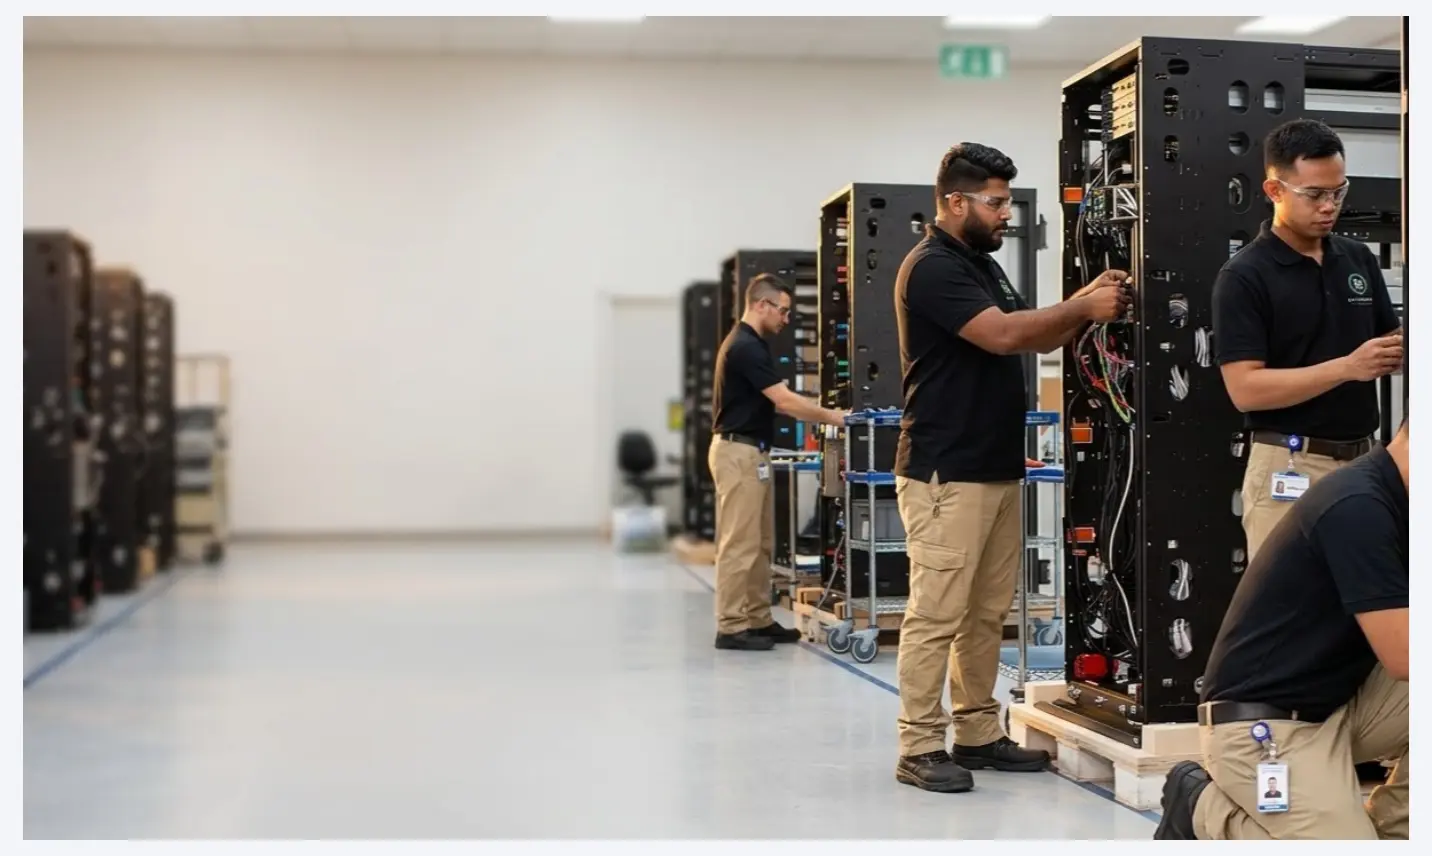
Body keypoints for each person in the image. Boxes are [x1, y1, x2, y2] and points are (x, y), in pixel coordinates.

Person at [890, 142, 1131, 792]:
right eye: (995, 203)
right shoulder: (933, 267)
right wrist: (1081, 307)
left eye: (1005, 202)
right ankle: (918, 745)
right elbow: (1000, 335)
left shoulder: (981, 267)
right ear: (955, 202)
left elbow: (1033, 331)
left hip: (994, 466)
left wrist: (1083, 304)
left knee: (986, 610)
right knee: (936, 612)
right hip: (947, 471)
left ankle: (975, 731)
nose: (1005, 215)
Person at [1155, 418, 1408, 840]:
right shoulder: (1356, 505)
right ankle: (1200, 806)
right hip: (1265, 725)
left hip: (1341, 704)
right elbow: (1403, 654)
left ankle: (1400, 830)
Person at [1212, 118, 1402, 560]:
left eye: (1339, 191)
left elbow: (1388, 341)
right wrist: (1348, 368)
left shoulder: (1356, 259)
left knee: (1366, 600)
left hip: (1362, 462)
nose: (1329, 206)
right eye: (1314, 195)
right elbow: (1245, 390)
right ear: (1274, 191)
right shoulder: (1244, 276)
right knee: (1288, 610)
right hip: (1289, 465)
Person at [709, 273, 848, 651]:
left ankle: (757, 618)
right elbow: (784, 402)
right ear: (761, 305)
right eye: (783, 310)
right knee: (740, 543)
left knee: (760, 543)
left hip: (752, 451)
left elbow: (775, 400)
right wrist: (836, 417)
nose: (786, 319)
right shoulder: (744, 346)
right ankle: (731, 625)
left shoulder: (753, 345)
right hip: (738, 453)